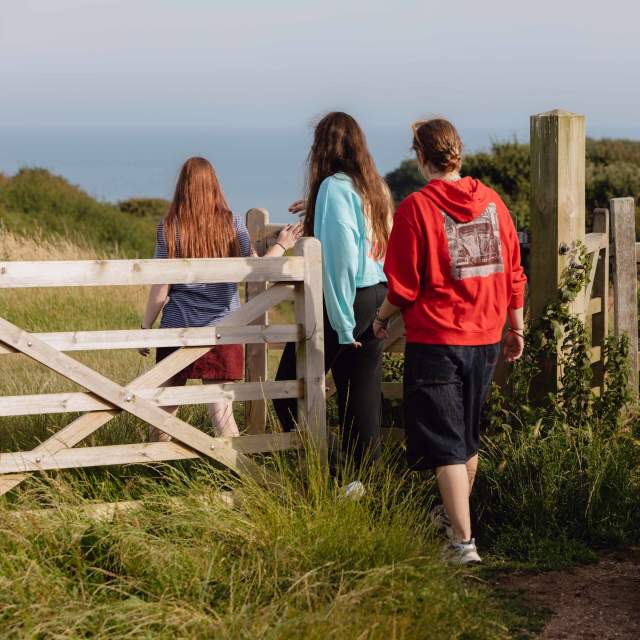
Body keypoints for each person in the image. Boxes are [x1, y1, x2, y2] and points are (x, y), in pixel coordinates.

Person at [373, 119, 527, 564]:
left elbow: (402, 286)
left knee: (446, 444)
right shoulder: (495, 204)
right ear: (457, 152)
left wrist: (381, 320)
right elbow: (514, 274)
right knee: (466, 440)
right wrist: (515, 328)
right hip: (485, 339)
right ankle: (451, 521)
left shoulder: (415, 209)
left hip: (437, 339)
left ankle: (462, 544)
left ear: (421, 155)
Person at [140, 156, 302, 441]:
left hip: (179, 327)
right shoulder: (232, 223)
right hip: (223, 329)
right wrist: (281, 244)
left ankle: (153, 466)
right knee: (222, 413)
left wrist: (145, 329)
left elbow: (160, 286)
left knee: (164, 411)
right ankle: (236, 472)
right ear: (214, 186)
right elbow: (256, 270)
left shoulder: (169, 227)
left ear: (182, 187)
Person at [274, 112, 393, 467]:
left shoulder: (333, 188)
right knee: (362, 397)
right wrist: (314, 208)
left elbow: (339, 257)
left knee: (286, 389)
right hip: (376, 292)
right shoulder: (375, 186)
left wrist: (341, 323)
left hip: (347, 300)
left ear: (322, 148)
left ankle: (328, 467)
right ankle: (363, 484)